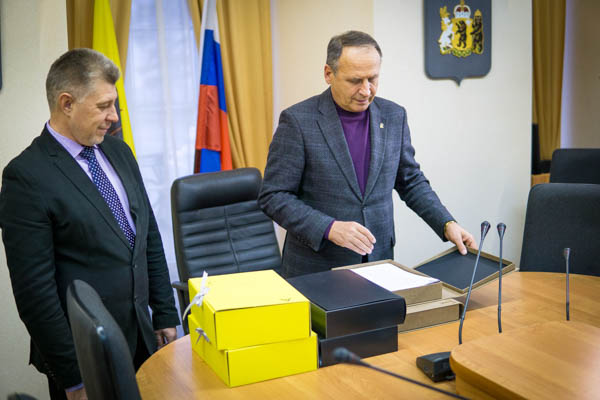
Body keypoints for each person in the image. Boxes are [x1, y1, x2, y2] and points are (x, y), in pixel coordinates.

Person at [0, 48, 180, 400]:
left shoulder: (119, 151)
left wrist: (164, 313)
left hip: (142, 337)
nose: (114, 116)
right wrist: (74, 377)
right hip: (86, 356)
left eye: (114, 104)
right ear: (66, 103)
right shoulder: (26, 176)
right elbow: (35, 294)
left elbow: (148, 237)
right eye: (103, 106)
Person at [259, 31, 476, 278]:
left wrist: (446, 224)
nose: (366, 90)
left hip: (378, 261)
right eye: (355, 80)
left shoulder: (394, 116)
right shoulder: (298, 121)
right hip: (317, 267)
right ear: (328, 74)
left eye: (372, 79)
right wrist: (329, 227)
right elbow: (273, 196)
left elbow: (410, 181)